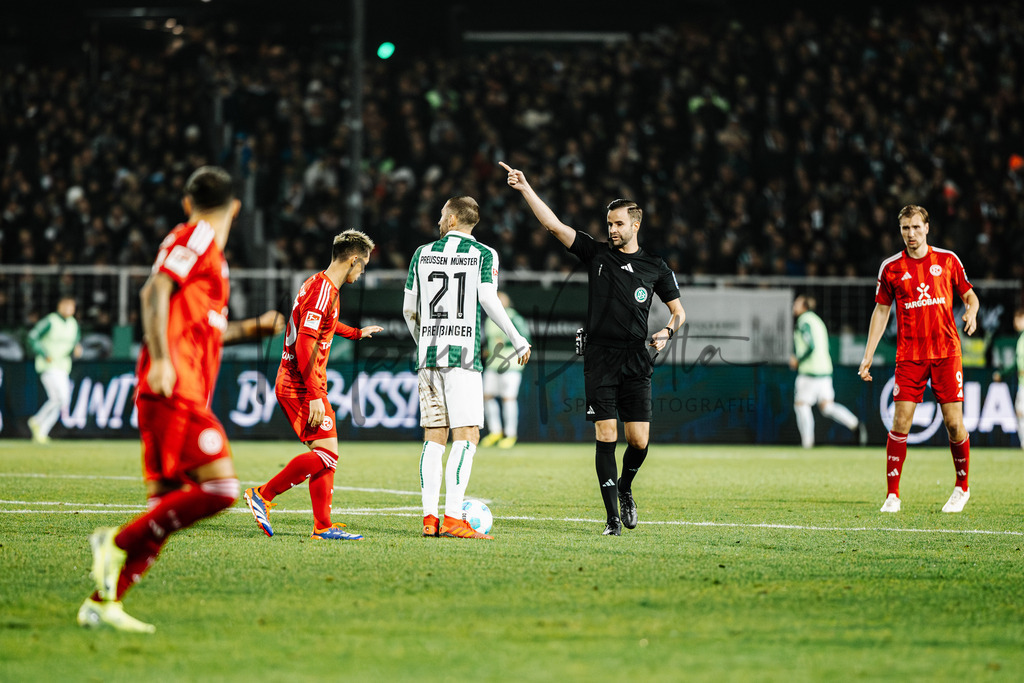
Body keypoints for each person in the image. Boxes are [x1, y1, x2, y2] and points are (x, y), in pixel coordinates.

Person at [78, 166, 285, 633]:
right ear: (235, 208)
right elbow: (154, 289)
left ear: (188, 200)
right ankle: (114, 542)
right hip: (176, 388)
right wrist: (162, 359)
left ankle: (103, 602)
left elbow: (205, 330)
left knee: (166, 507)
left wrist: (253, 327)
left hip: (174, 389)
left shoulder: (209, 258)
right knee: (222, 489)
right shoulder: (197, 236)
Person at [501, 161, 685, 536]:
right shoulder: (597, 254)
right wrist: (525, 188)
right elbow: (554, 226)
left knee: (639, 441)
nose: (612, 230)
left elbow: (679, 312)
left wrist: (667, 331)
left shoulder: (655, 266)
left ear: (635, 225)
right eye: (609, 224)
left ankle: (626, 487)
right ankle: (612, 518)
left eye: (618, 224)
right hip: (600, 357)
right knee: (606, 435)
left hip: (636, 358)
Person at [402, 196, 531, 540]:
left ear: (454, 219)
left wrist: (424, 341)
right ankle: (453, 518)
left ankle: (430, 519)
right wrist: (517, 338)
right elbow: (488, 298)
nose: (438, 220)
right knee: (467, 434)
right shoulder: (485, 254)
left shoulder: (421, 253)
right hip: (463, 357)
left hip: (428, 356)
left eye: (442, 215)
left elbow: (409, 310)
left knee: (434, 436)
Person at [243, 230, 382, 541]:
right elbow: (305, 344)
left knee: (326, 454)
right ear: (353, 260)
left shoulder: (318, 284)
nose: (362, 273)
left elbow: (323, 325)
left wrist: (356, 333)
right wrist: (316, 395)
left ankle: (323, 526)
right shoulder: (323, 291)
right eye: (363, 266)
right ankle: (263, 495)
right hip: (300, 384)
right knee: (327, 454)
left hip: (303, 381)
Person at [858, 205, 978, 514]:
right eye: (905, 228)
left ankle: (962, 487)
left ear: (927, 227)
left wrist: (972, 311)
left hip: (946, 353)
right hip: (910, 356)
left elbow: (969, 294)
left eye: (915, 227)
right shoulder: (891, 268)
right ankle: (892, 495)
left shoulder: (948, 260)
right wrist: (868, 355)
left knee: (954, 424)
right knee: (900, 422)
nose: (910, 234)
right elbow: (881, 311)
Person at [789, 294, 866, 448]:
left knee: (801, 405)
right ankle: (855, 424)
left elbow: (811, 346)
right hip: (825, 370)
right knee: (827, 407)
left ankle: (807, 443)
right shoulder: (818, 321)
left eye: (796, 303)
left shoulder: (804, 321)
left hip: (810, 372)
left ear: (804, 306)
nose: (794, 306)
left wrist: (798, 360)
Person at [27, 296, 82, 443]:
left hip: (63, 366)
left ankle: (40, 429)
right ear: (60, 306)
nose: (69, 309)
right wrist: (43, 353)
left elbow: (75, 342)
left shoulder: (73, 324)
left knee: (59, 400)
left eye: (71, 307)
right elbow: (32, 337)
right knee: (61, 398)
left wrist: (77, 348)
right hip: (49, 366)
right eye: (66, 306)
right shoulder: (50, 321)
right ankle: (38, 422)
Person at [480, 291, 531, 449]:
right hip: (493, 363)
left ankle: (510, 434)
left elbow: (525, 337)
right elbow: (489, 340)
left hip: (511, 364)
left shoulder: (513, 317)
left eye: (500, 298)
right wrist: (487, 349)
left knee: (508, 398)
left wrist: (507, 343)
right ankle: (495, 431)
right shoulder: (489, 319)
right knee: (487, 396)